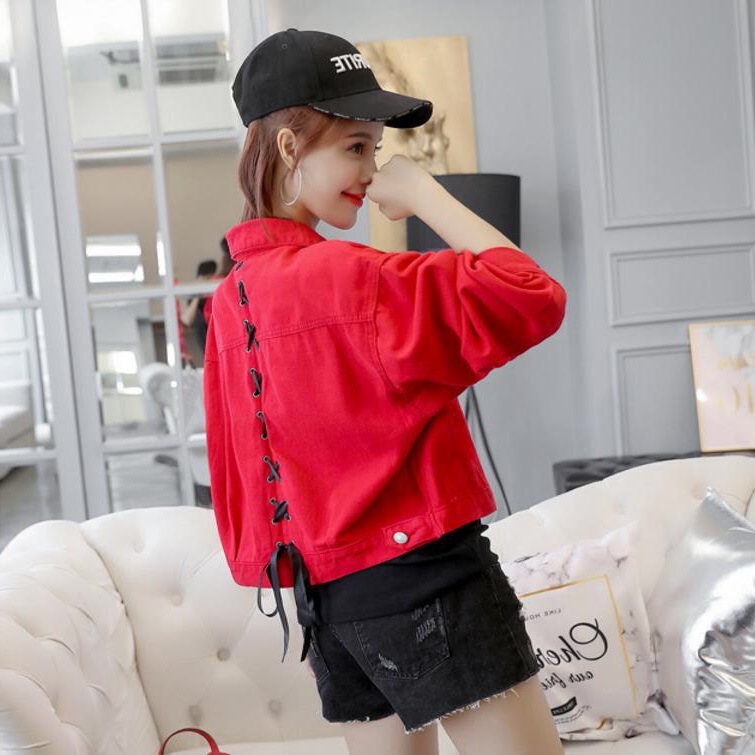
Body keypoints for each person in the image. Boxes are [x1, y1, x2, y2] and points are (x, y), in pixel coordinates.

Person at [204, 29, 566, 755]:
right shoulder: (354, 280)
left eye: (375, 149)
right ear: (288, 147)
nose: (374, 170)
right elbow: (532, 294)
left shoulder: (230, 301)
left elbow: (244, 471)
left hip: (326, 604)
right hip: (426, 581)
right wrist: (426, 193)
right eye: (356, 146)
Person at [182, 259, 217, 356]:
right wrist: (198, 294)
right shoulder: (196, 300)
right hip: (207, 349)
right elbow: (187, 320)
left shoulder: (218, 297)